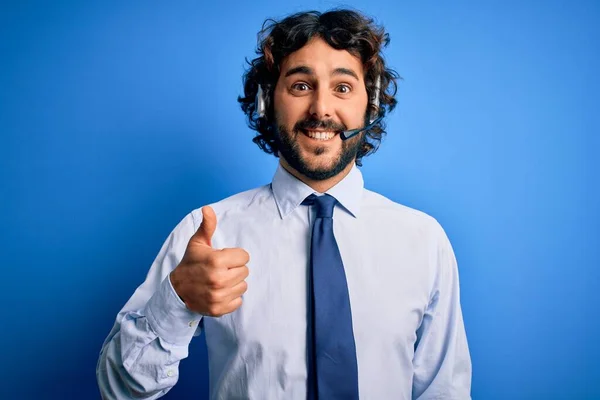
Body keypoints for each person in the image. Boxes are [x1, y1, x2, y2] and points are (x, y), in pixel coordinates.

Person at [96, 8, 471, 400]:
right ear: (266, 102)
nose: (321, 110)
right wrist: (176, 299)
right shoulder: (209, 233)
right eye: (300, 86)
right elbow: (118, 389)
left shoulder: (424, 241)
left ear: (370, 104)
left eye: (342, 88)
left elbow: (445, 392)